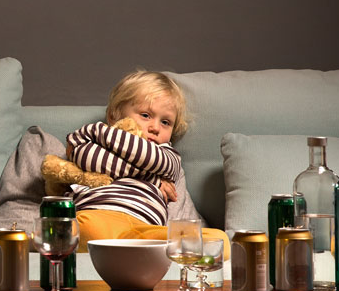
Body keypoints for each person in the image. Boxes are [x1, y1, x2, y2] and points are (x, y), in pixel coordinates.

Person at [65, 70, 229, 254]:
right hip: (100, 216)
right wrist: (154, 180)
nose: (155, 128)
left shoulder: (167, 153)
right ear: (113, 116)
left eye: (166, 122)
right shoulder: (97, 141)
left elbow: (153, 159)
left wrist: (98, 132)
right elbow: (85, 157)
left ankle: (133, 250)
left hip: (145, 230)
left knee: (219, 241)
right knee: (87, 229)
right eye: (145, 115)